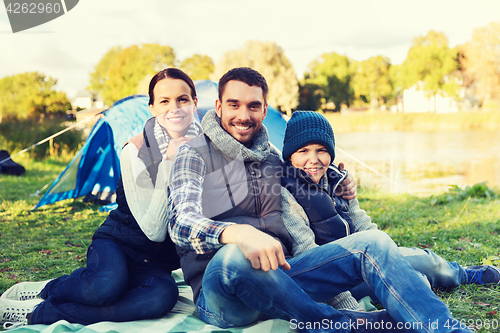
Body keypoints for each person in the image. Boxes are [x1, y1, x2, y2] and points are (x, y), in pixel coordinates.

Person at [168, 67, 472, 333]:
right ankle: (339, 324)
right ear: (218, 106)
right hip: (224, 296)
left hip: (286, 277)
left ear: (265, 109)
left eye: (253, 106)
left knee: (374, 242)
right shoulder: (193, 154)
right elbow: (180, 223)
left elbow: (311, 192)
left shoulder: (273, 157)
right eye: (234, 104)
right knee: (234, 256)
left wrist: (338, 183)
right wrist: (236, 233)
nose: (243, 115)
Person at [0, 68, 202, 329]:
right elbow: (153, 230)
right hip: (118, 244)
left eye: (182, 99)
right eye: (164, 101)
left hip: (156, 264)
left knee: (161, 297)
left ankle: (44, 312)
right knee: (103, 285)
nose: (174, 108)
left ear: (195, 103)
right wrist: (169, 164)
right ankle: (50, 290)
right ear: (152, 108)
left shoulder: (206, 150)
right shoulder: (136, 149)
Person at [280, 110, 500, 306]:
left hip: (366, 258)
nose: (314, 159)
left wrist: (390, 257)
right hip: (337, 280)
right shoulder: (286, 193)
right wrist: (350, 308)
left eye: (321, 150)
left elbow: (361, 221)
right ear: (290, 155)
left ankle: (460, 273)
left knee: (425, 261)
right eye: (303, 151)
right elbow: (308, 255)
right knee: (416, 282)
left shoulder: (337, 180)